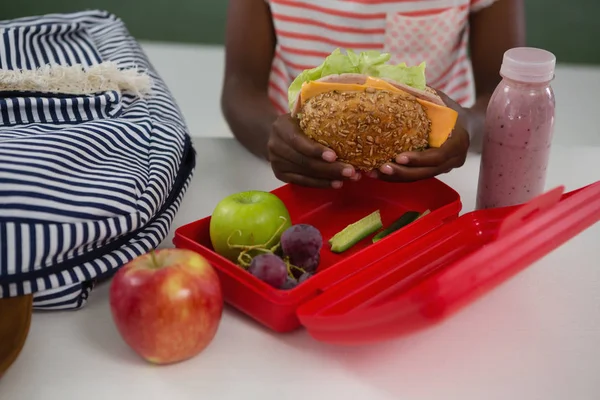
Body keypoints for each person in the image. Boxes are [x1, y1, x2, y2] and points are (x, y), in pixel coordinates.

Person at [221, 0, 525, 189]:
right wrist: (273, 140)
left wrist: (469, 127)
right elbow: (240, 89)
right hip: (300, 173)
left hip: (435, 175)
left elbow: (505, 95)